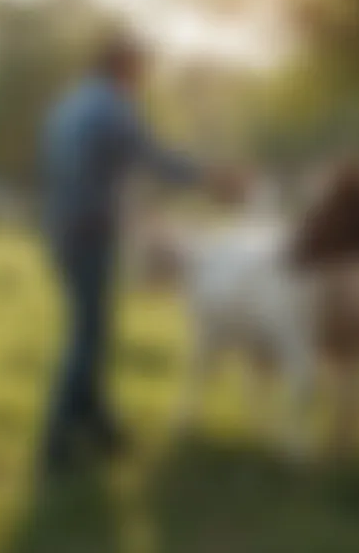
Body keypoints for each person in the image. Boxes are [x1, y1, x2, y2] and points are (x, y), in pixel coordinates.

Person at [40, 35, 246, 472]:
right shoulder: (112, 108)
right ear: (123, 66)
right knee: (86, 336)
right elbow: (152, 158)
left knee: (92, 328)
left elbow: (84, 168)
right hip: (89, 233)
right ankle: (54, 444)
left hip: (60, 229)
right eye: (141, 69)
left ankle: (100, 427)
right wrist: (209, 179)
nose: (143, 79)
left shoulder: (68, 106)